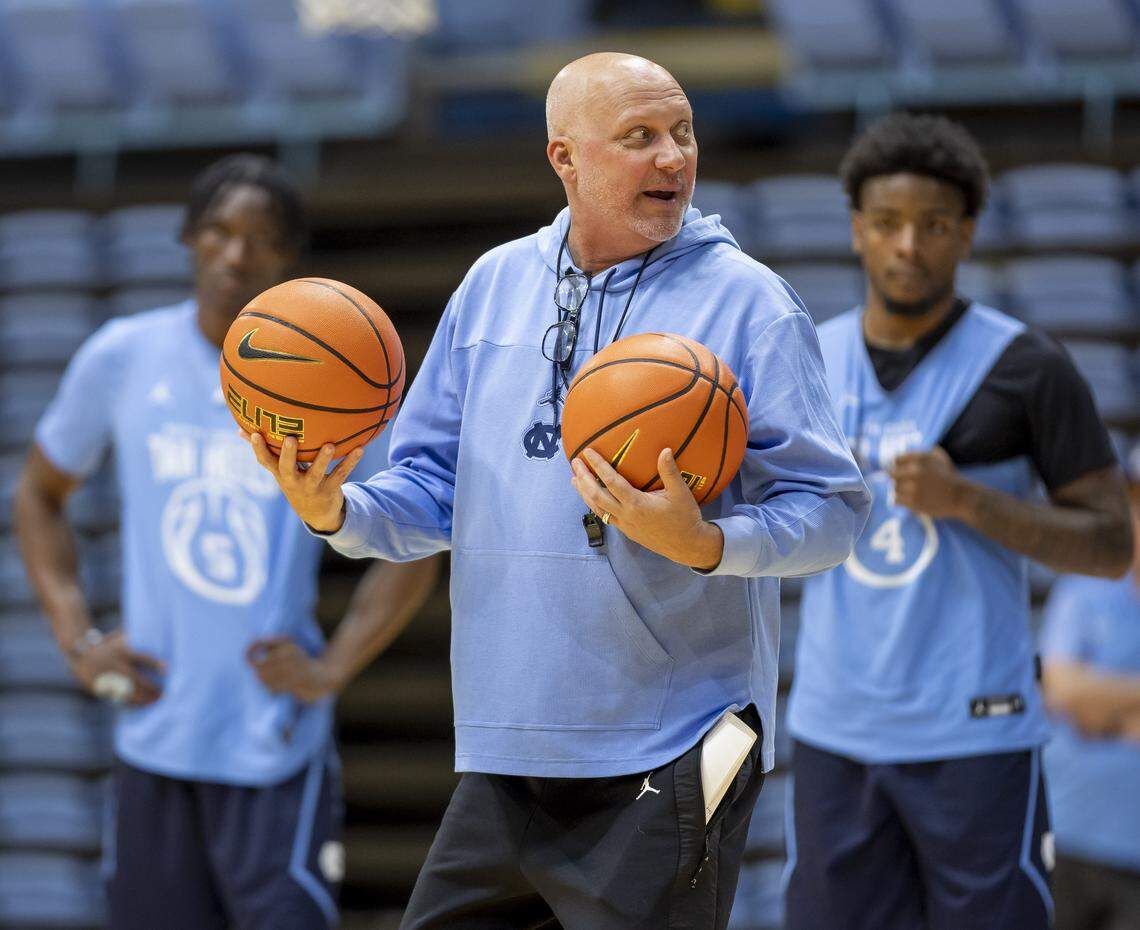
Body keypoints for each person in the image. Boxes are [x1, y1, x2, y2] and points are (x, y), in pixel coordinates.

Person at [245, 52, 870, 929]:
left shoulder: (751, 304)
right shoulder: (493, 285)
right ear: (564, 158)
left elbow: (833, 512)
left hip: (679, 743)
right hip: (510, 746)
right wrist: (337, 512)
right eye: (639, 137)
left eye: (682, 132)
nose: (673, 157)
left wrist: (709, 544)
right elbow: (431, 485)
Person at [14, 154, 440, 930]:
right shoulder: (123, 355)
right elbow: (38, 495)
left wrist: (335, 665)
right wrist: (78, 642)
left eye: (264, 240)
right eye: (219, 231)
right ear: (188, 238)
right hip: (153, 738)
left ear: (291, 260)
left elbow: (416, 537)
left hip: (271, 744)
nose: (237, 255)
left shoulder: (338, 384)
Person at [783, 113, 1134, 930]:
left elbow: (1113, 546)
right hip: (838, 729)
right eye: (888, 224)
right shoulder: (805, 361)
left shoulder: (1029, 369)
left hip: (976, 733)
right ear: (857, 231)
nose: (909, 245)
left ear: (968, 234)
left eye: (934, 225)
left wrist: (969, 500)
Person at [1040, 439, 1140, 930]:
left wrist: (1103, 702)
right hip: (1071, 837)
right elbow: (1062, 690)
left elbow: (1082, 697)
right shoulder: (1086, 590)